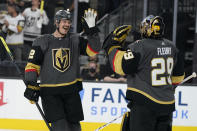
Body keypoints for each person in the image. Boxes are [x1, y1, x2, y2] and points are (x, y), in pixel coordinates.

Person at [102, 15, 185, 131]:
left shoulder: (138, 46)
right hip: (167, 104)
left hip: (144, 104)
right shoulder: (172, 47)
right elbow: (178, 78)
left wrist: (111, 45)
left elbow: (120, 67)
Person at [24, 9, 101, 131]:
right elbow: (32, 66)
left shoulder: (75, 39)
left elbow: (94, 50)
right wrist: (31, 84)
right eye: (64, 21)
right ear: (57, 22)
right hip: (50, 94)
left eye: (69, 22)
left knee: (75, 128)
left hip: (71, 91)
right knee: (60, 128)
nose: (67, 25)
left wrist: (93, 32)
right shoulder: (42, 41)